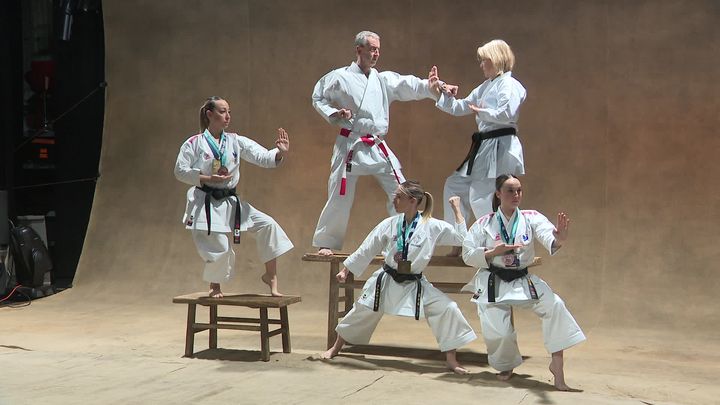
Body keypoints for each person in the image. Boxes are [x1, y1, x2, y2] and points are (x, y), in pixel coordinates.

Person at [311, 30, 455, 256]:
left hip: (376, 144)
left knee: (401, 190)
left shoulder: (382, 79)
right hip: (351, 143)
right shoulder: (339, 77)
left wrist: (433, 86)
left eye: (378, 49)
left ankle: (403, 236)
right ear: (359, 49)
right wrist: (335, 114)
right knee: (339, 192)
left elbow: (410, 85)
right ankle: (326, 241)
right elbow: (318, 97)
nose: (376, 53)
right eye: (371, 49)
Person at [321, 180, 477, 374]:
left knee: (449, 308)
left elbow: (462, 240)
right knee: (360, 310)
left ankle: (451, 359)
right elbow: (368, 247)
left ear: (412, 201)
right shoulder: (391, 223)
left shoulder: (432, 226)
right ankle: (336, 347)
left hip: (415, 283)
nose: (394, 200)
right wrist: (346, 270)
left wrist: (457, 210)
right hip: (387, 280)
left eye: (398, 197)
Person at [461, 174, 585, 390]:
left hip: (522, 279)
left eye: (519, 190)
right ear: (498, 194)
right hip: (493, 281)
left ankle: (558, 367)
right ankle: (506, 365)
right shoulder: (484, 222)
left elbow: (549, 235)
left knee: (555, 305)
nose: (516, 194)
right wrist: (491, 252)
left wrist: (559, 239)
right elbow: (467, 253)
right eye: (510, 190)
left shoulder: (531, 217)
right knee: (499, 331)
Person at [174, 96, 294, 298]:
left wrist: (279, 153)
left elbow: (262, 156)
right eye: (222, 111)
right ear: (209, 115)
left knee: (268, 225)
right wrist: (205, 177)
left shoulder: (235, 141)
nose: (227, 116)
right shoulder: (194, 143)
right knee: (219, 246)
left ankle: (270, 277)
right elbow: (180, 171)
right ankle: (215, 286)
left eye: (229, 111)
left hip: (230, 201)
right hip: (205, 203)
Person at [429, 39, 527, 256]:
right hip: (484, 145)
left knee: (480, 195)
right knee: (454, 185)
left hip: (500, 145)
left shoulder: (510, 84)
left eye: (484, 60)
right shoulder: (486, 86)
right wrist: (441, 92)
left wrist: (480, 111)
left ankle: (494, 245)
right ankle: (459, 238)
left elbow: (506, 114)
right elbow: (460, 107)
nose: (481, 65)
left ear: (496, 60)